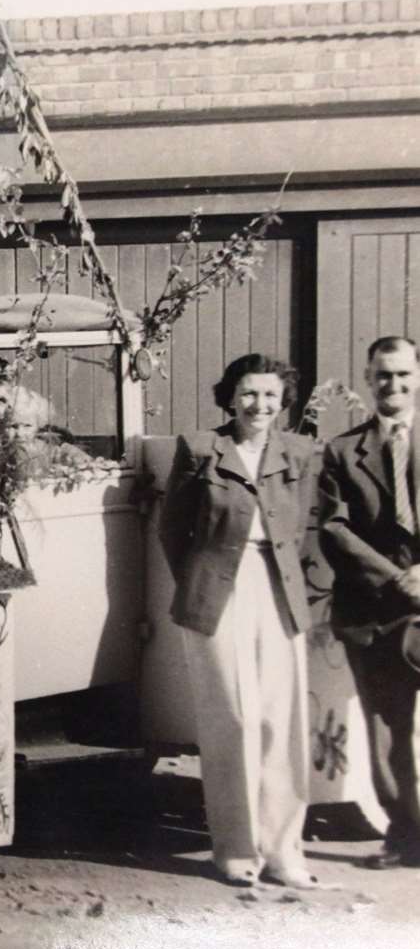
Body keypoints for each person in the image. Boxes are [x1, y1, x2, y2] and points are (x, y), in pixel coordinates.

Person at [159, 352, 333, 890]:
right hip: (218, 592)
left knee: (281, 722)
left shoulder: (300, 452)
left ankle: (284, 852)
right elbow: (172, 532)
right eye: (249, 393)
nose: (259, 405)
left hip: (280, 588)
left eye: (270, 396)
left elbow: (311, 527)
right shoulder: (200, 450)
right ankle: (234, 850)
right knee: (232, 718)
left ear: (284, 404)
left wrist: (309, 595)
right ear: (230, 397)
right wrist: (202, 582)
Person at [318, 335, 420, 869]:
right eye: (383, 376)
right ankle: (406, 837)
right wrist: (397, 578)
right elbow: (333, 529)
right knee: (387, 729)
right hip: (375, 609)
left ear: (418, 376)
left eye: (403, 375)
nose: (394, 385)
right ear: (367, 379)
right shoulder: (341, 452)